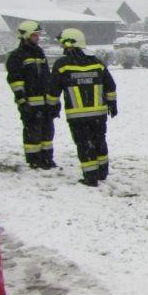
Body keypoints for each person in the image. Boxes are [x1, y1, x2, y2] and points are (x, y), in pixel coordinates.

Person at [49, 28, 117, 187]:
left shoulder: (62, 65)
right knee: (99, 141)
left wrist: (53, 107)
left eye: (63, 43)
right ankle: (102, 172)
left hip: (77, 115)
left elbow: (53, 90)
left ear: (69, 43)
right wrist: (112, 104)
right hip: (99, 114)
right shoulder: (97, 63)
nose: (62, 46)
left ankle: (90, 177)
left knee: (84, 144)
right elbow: (110, 86)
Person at [6, 20, 58, 169]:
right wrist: (22, 101)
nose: (38, 38)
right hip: (30, 102)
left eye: (38, 35)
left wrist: (53, 100)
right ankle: (34, 160)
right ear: (26, 36)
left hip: (45, 101)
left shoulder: (39, 53)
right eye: (35, 35)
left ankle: (47, 158)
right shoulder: (17, 56)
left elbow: (47, 77)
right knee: (32, 132)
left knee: (47, 131)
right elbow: (15, 81)